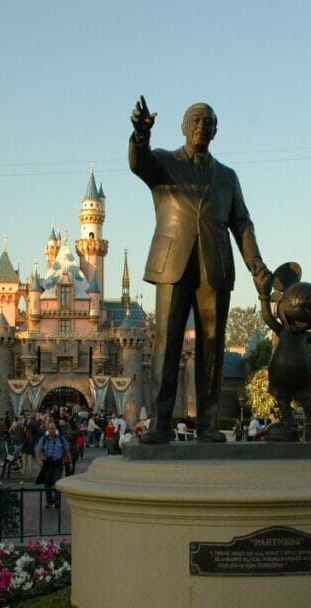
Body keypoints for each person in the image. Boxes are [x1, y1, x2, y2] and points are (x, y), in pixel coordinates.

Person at [130, 97, 272, 444]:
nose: (201, 126)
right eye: (195, 120)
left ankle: (207, 425)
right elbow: (140, 163)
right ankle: (161, 424)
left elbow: (242, 224)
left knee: (212, 345)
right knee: (166, 345)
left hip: (215, 267)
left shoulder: (227, 176)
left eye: (208, 121)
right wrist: (140, 135)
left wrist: (257, 268)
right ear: (182, 128)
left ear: (216, 130)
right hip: (172, 265)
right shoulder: (164, 163)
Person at [36, 422, 70, 509]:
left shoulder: (61, 439)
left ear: (56, 430)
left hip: (57, 463)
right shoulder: (43, 439)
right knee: (47, 484)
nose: (52, 430)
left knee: (57, 482)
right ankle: (49, 501)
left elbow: (67, 450)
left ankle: (57, 501)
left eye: (53, 428)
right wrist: (39, 460)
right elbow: (38, 451)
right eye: (50, 429)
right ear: (48, 430)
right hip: (47, 464)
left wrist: (70, 462)